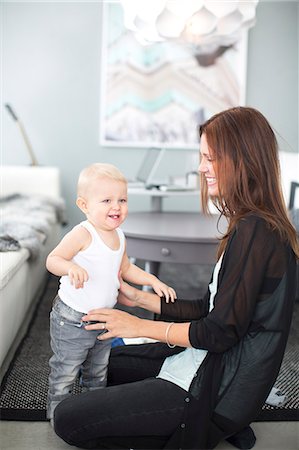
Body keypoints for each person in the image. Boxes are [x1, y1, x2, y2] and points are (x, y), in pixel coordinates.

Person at [53, 107, 298, 450]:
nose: (200, 168)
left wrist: (137, 326)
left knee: (68, 417)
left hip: (215, 388)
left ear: (242, 159)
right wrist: (140, 299)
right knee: (105, 362)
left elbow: (218, 332)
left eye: (209, 158)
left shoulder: (256, 233)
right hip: (204, 361)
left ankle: (189, 425)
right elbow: (210, 309)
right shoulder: (252, 224)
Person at [46, 163, 176, 420]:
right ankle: (57, 413)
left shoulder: (119, 235)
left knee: (98, 367)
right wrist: (70, 267)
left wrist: (153, 280)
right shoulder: (83, 233)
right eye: (106, 200)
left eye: (122, 200)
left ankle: (94, 408)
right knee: (67, 368)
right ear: (84, 205)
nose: (116, 207)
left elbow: (126, 267)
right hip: (73, 319)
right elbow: (53, 259)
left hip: (105, 318)